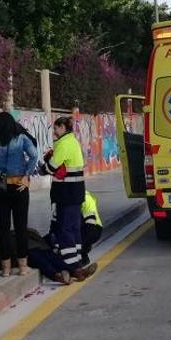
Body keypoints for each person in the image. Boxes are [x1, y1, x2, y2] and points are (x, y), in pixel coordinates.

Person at [0, 112, 39, 277]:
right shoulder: (21, 139)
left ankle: (5, 268)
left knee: (3, 229)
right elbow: (34, 155)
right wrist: (26, 176)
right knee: (20, 227)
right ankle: (23, 267)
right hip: (19, 186)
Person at [42, 117, 96, 281]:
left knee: (65, 229)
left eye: (56, 129)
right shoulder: (74, 142)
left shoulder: (64, 144)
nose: (54, 132)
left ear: (62, 127)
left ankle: (73, 268)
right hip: (77, 192)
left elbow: (52, 166)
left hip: (65, 193)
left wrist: (43, 166)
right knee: (74, 228)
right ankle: (77, 263)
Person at [49, 190, 102, 267]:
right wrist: (55, 245)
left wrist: (79, 249)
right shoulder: (60, 199)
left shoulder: (84, 198)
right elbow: (54, 225)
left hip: (93, 227)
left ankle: (82, 256)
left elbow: (91, 228)